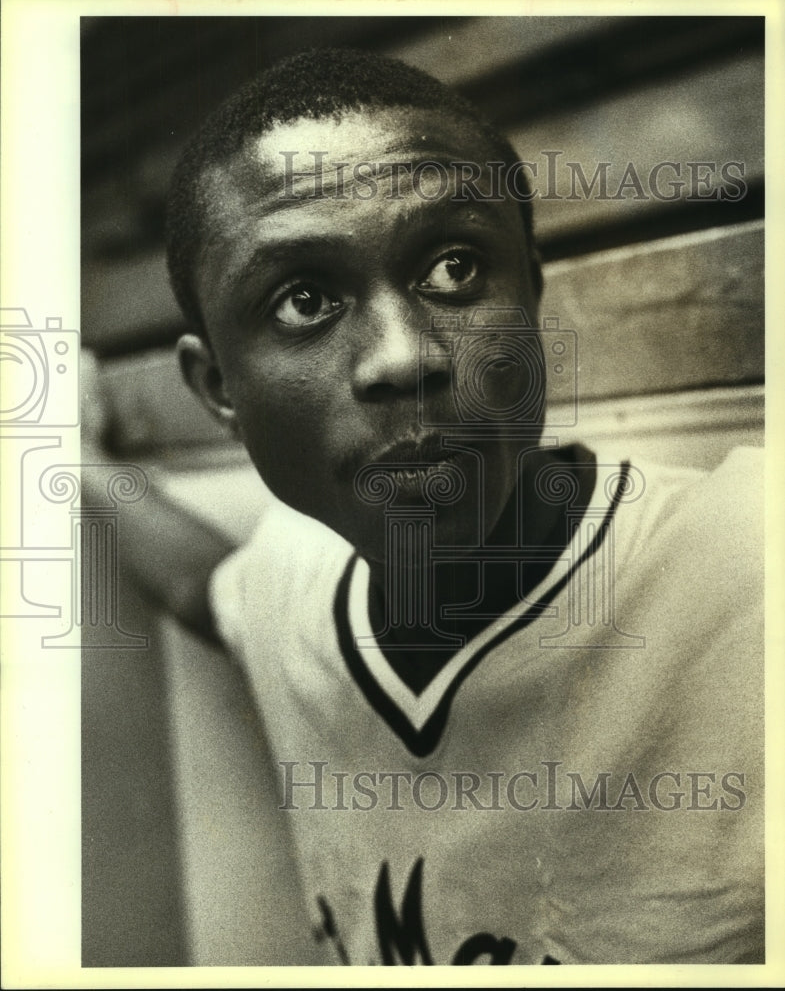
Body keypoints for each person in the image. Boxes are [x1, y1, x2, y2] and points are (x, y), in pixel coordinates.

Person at [158, 47, 763, 965]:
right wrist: (66, 452)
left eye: (452, 268)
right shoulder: (291, 584)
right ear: (218, 391)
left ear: (529, 291)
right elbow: (201, 586)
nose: (403, 357)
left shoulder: (745, 566)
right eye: (304, 299)